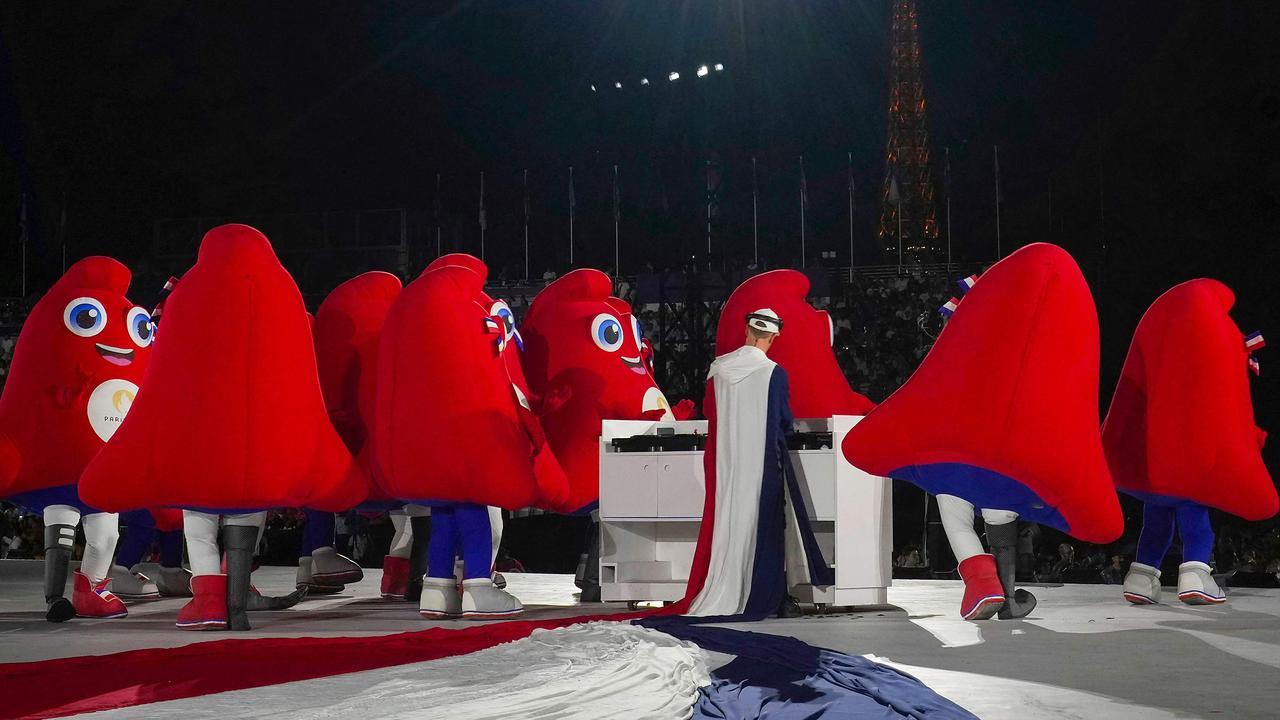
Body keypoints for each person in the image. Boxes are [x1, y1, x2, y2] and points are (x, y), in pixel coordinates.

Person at [676, 309, 833, 618]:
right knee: (768, 531)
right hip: (762, 466)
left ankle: (729, 585)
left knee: (729, 527)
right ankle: (768, 596)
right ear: (774, 337)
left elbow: (710, 411)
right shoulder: (773, 373)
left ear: (746, 330)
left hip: (726, 467)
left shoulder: (719, 369)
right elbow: (783, 422)